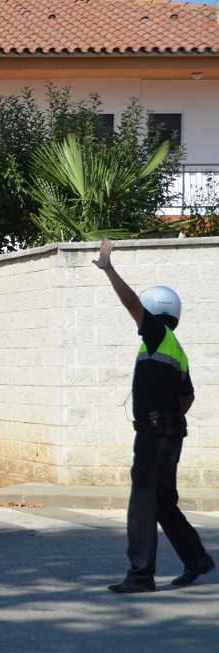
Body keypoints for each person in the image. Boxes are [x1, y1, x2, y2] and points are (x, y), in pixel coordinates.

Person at [94, 239, 214, 593]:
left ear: (154, 310)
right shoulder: (175, 348)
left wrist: (108, 268)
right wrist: (172, 420)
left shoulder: (157, 334)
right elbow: (188, 396)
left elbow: (130, 302)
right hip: (170, 433)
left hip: (155, 434)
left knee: (144, 502)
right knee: (162, 502)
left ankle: (141, 575)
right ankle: (197, 559)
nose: (138, 316)